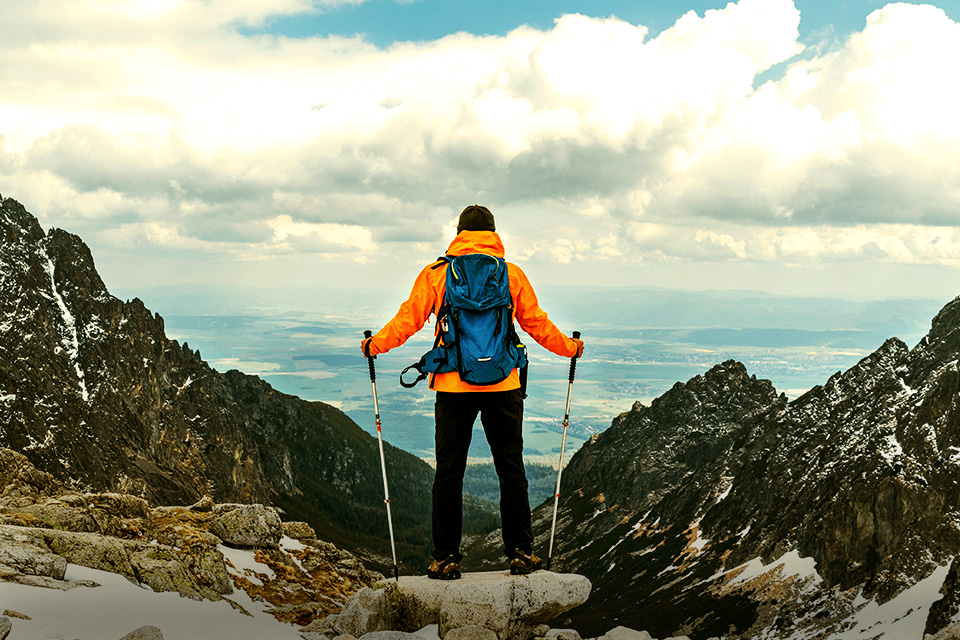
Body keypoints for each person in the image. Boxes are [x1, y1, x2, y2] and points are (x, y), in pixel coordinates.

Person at [360, 204, 585, 580]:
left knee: (449, 472)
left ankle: (445, 557)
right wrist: (570, 348)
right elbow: (536, 323)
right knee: (510, 469)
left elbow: (407, 319)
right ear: (494, 234)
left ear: (459, 234)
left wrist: (374, 346)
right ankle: (520, 553)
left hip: (452, 386)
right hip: (505, 385)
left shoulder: (438, 274)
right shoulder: (510, 274)